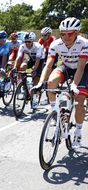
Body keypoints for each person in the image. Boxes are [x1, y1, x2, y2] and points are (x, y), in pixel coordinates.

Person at [31, 17, 88, 148]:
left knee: (79, 102)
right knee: (51, 82)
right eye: (63, 33)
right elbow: (49, 65)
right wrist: (40, 82)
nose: (66, 37)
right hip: (67, 67)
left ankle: (78, 132)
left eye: (70, 33)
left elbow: (80, 68)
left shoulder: (84, 44)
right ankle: (56, 113)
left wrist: (74, 85)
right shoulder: (55, 44)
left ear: (77, 33)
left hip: (84, 69)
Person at [12, 32, 45, 108]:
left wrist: (34, 70)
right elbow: (18, 58)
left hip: (40, 60)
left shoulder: (38, 46)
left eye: (29, 41)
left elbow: (37, 59)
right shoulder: (23, 46)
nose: (27, 43)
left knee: (36, 78)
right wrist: (14, 67)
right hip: (31, 59)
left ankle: (35, 98)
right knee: (22, 66)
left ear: (33, 41)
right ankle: (22, 84)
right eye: (25, 41)